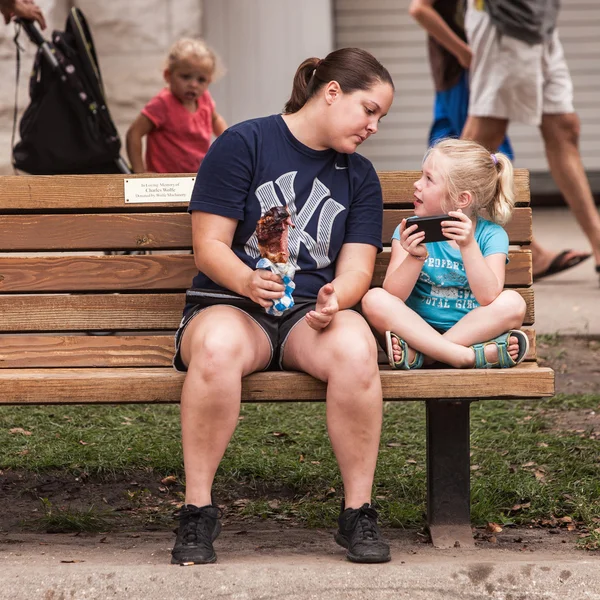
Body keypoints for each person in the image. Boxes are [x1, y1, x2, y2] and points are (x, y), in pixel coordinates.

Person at [170, 47, 395, 565]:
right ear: (332, 92)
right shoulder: (245, 143)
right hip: (230, 303)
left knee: (358, 349)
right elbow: (209, 247)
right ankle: (197, 511)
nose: (374, 127)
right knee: (219, 349)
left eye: (380, 117)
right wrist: (248, 281)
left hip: (305, 316)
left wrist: (339, 297)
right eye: (369, 110)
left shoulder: (359, 176)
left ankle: (358, 512)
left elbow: (357, 266)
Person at [362, 138, 528, 371]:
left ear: (462, 199)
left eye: (429, 179)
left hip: (470, 332)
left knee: (514, 303)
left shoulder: (491, 235)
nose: (417, 184)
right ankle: (466, 357)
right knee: (374, 299)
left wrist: (469, 246)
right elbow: (393, 295)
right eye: (422, 175)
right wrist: (415, 257)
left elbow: (489, 296)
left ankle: (427, 356)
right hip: (414, 329)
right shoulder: (410, 230)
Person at [461, 0, 597, 282]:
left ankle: (597, 242)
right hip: (502, 21)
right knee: (484, 138)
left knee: (564, 127)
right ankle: (442, 243)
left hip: (541, 23)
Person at [408, 0, 513, 157]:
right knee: (484, 145)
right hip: (462, 70)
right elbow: (419, 9)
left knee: (444, 141)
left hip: (461, 69)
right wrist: (463, 52)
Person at [126, 38, 227, 174]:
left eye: (201, 80)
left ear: (209, 81)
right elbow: (134, 133)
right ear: (168, 75)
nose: (193, 84)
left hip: (195, 177)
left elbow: (215, 119)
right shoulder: (163, 104)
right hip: (166, 183)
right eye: (186, 77)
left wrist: (229, 140)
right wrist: (140, 173)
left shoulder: (205, 99)